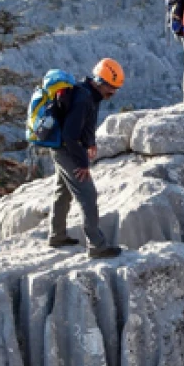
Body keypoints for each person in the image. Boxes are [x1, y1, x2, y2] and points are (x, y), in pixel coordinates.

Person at [47, 58, 124, 258]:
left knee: (63, 191)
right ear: (100, 81)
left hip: (62, 148)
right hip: (66, 149)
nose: (113, 92)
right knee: (88, 195)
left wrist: (90, 142)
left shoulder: (90, 93)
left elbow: (86, 123)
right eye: (111, 87)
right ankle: (97, 245)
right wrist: (82, 164)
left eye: (115, 88)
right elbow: (70, 135)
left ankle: (57, 235)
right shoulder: (83, 99)